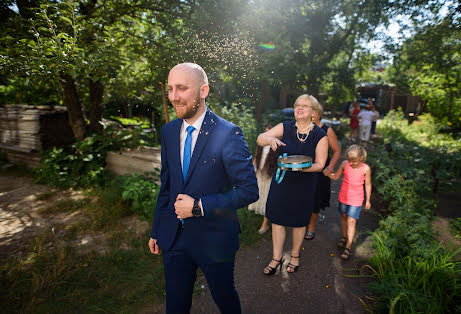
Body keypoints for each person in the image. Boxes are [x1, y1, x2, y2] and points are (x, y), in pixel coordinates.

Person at [148, 62, 258, 314]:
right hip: (174, 237)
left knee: (225, 299)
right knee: (175, 305)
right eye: (170, 89)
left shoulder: (228, 134)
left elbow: (249, 190)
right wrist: (157, 229)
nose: (174, 96)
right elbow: (167, 186)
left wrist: (199, 207)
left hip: (215, 238)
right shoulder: (168, 131)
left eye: (182, 88)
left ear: (203, 90)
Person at [257, 94, 328, 275]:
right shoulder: (286, 127)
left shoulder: (320, 135)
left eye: (305, 105)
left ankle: (295, 255)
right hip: (281, 182)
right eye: (297, 105)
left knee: (298, 222)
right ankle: (276, 257)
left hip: (304, 186)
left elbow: (320, 165)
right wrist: (270, 139)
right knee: (277, 220)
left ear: (314, 112)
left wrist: (300, 168)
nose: (300, 108)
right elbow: (260, 138)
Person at [326, 144, 371, 261]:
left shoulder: (365, 169)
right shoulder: (344, 164)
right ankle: (344, 236)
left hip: (356, 199)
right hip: (344, 197)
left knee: (351, 221)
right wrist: (328, 174)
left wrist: (368, 200)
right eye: (349, 160)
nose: (351, 163)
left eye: (354, 161)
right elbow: (336, 177)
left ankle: (348, 247)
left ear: (361, 159)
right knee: (344, 216)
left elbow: (368, 184)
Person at [305, 104, 341, 240]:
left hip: (321, 171)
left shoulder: (327, 130)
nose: (311, 114)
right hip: (305, 168)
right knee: (303, 198)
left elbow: (337, 151)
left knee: (316, 199)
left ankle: (311, 227)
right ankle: (301, 223)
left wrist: (330, 167)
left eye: (313, 111)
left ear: (319, 113)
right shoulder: (303, 128)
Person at [248, 123, 278, 235]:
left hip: (270, 175)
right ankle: (262, 220)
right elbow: (256, 158)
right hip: (260, 174)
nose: (267, 135)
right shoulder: (261, 144)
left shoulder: (277, 146)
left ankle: (265, 224)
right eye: (265, 132)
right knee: (259, 196)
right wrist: (253, 167)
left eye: (269, 133)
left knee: (267, 199)